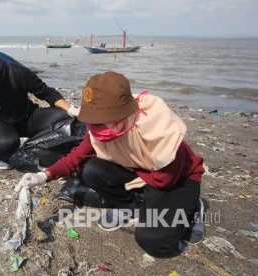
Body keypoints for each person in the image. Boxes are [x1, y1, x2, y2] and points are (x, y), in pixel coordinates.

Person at [17, 72, 205, 258]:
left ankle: (192, 209)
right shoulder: (101, 129)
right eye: (93, 120)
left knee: (152, 241)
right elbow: (76, 158)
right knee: (92, 170)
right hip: (142, 172)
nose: (96, 127)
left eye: (101, 120)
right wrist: (44, 176)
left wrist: (143, 193)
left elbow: (164, 179)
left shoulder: (156, 127)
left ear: (123, 113)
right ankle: (130, 206)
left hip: (176, 179)